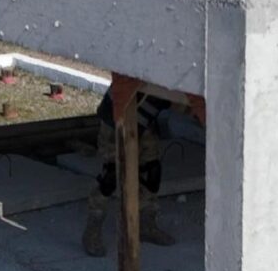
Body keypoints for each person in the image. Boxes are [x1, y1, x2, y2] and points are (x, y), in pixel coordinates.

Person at [82, 75, 197, 256]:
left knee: (151, 172)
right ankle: (93, 229)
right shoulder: (149, 68)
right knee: (110, 178)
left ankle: (146, 225)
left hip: (144, 123)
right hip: (116, 118)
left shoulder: (182, 76)